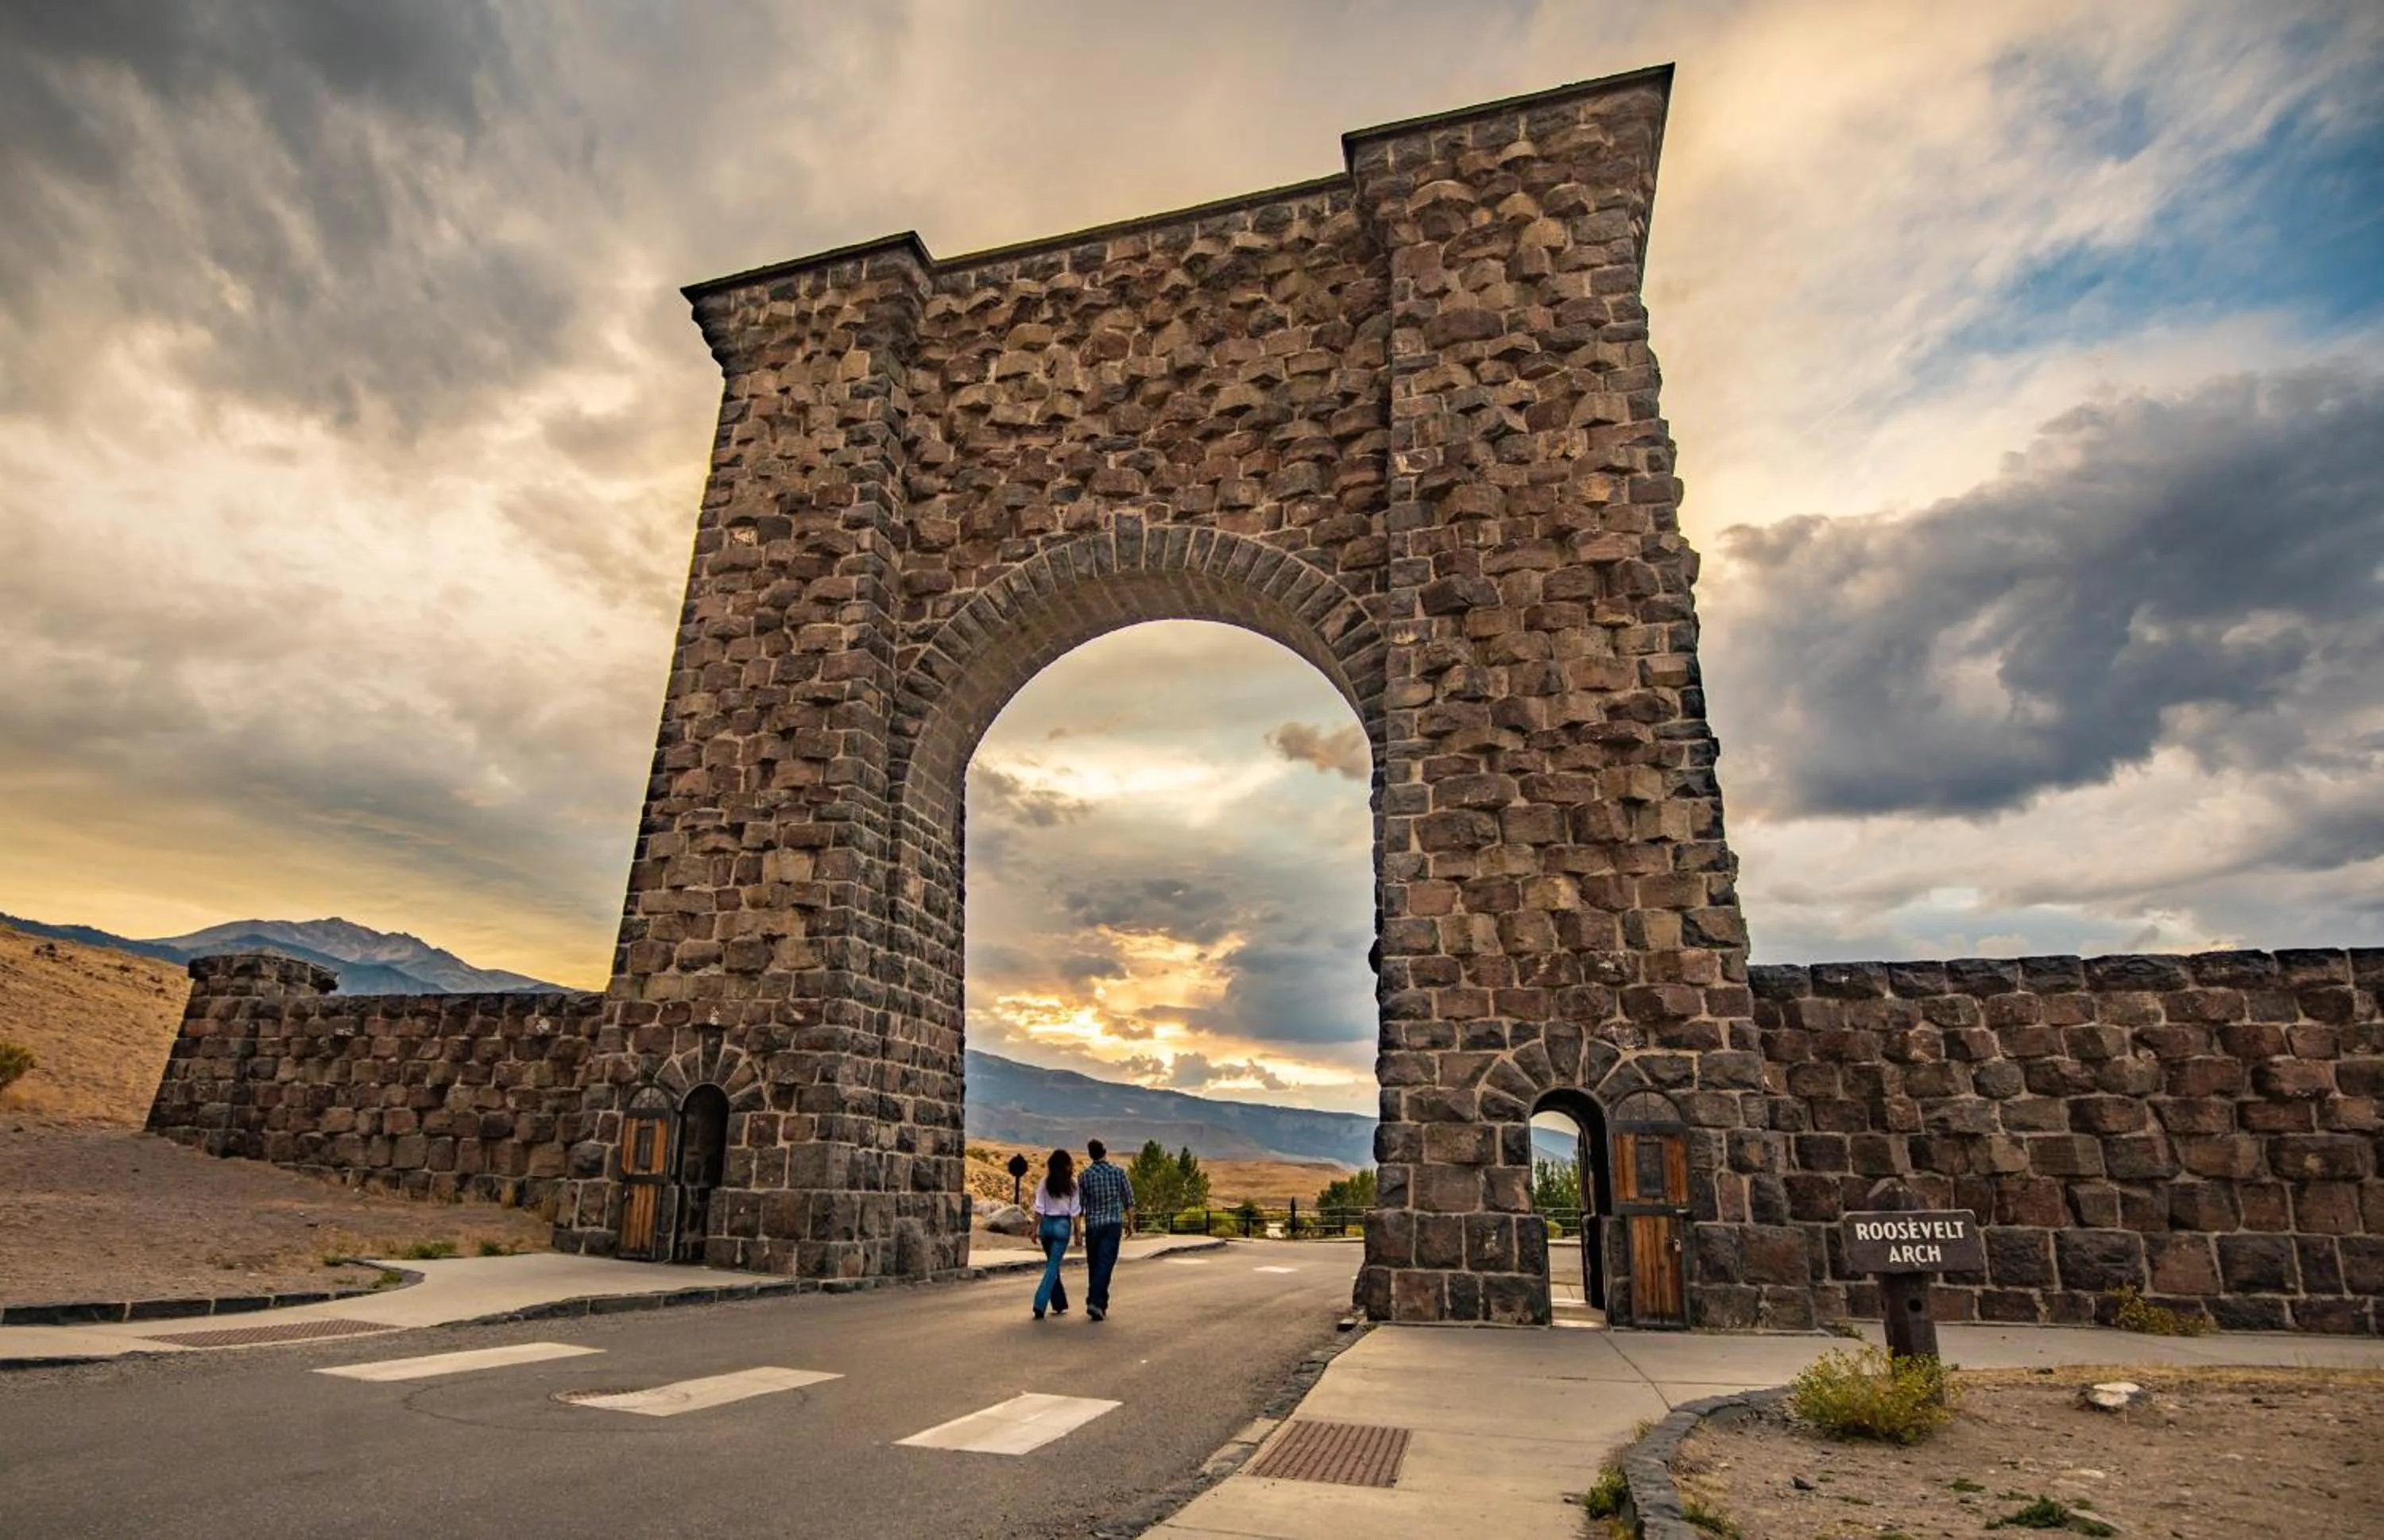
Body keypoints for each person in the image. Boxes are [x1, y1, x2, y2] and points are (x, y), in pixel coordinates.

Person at [1077, 1138, 1135, 1322]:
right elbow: (1129, 1200)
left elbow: (1080, 1206)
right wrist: (1131, 1223)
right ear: (1105, 1152)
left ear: (1090, 1155)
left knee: (1095, 1264)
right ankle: (1095, 1301)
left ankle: (1099, 1304)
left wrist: (1078, 1230)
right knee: (1106, 1263)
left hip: (1093, 1225)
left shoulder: (1084, 1176)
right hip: (1112, 1224)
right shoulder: (1118, 1173)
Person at [1029, 1147, 1081, 1321]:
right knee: (1053, 1266)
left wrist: (1034, 1229)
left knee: (1053, 1264)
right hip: (1062, 1226)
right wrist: (1079, 1234)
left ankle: (1059, 1303)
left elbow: (1039, 1209)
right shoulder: (1072, 1185)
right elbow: (1075, 1212)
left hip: (1046, 1226)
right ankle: (1040, 1303)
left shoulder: (1044, 1182)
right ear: (1067, 1165)